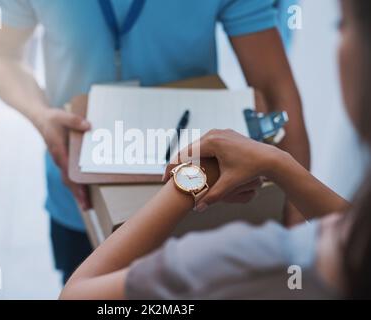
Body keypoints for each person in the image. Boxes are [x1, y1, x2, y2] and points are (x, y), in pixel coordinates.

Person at [0, 0, 310, 284]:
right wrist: (41, 116)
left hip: (200, 206)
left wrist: (295, 228)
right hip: (81, 198)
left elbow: (275, 85)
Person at [59, 0, 371, 299]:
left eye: (340, 24)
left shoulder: (237, 263)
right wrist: (280, 164)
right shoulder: (347, 248)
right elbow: (349, 228)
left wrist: (191, 179)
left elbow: (76, 296)